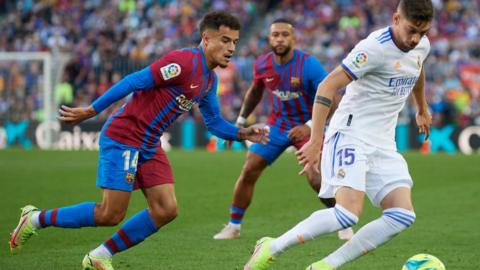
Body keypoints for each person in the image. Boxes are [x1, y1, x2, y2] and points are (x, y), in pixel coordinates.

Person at [9, 11, 269, 270]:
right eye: (225, 40)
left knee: (166, 209)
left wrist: (242, 133)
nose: (231, 48)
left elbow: (214, 123)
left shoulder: (209, 80)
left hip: (149, 143)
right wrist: (93, 109)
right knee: (110, 214)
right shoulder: (183, 62)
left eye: (234, 41)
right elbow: (135, 80)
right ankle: (36, 219)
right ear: (206, 39)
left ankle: (99, 255)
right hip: (124, 136)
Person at [244, 0, 433, 269]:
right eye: (412, 30)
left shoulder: (420, 46)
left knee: (402, 215)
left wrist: (422, 108)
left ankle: (326, 265)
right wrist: (315, 139)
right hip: (350, 133)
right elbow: (326, 86)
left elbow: (417, 66)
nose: (416, 39)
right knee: (347, 215)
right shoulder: (373, 48)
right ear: (395, 19)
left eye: (422, 33)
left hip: (383, 141)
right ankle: (271, 247)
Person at [213, 18, 353, 241]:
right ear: (269, 38)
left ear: (293, 38)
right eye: (275, 34)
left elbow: (332, 100)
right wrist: (239, 121)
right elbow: (255, 91)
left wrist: (309, 127)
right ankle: (233, 226)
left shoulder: (309, 65)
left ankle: (343, 223)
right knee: (249, 168)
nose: (279, 38)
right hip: (277, 126)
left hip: (309, 124)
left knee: (315, 177)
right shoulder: (262, 64)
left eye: (284, 34)